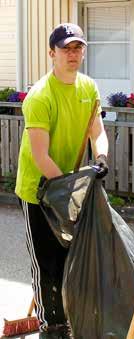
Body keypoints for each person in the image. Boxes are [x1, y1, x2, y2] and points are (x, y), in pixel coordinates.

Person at [15, 23, 109, 339]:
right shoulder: (40, 97)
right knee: (46, 263)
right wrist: (70, 189)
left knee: (68, 257)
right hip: (38, 190)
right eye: (66, 48)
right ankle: (51, 326)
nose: (72, 54)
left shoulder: (88, 88)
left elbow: (98, 132)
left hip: (68, 186)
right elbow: (41, 156)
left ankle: (67, 316)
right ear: (51, 53)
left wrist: (101, 160)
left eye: (77, 48)